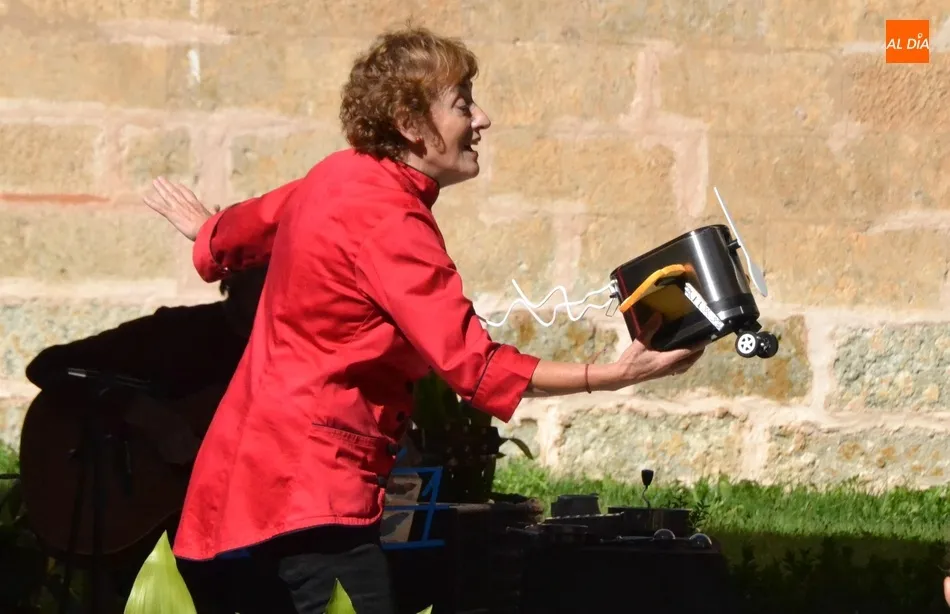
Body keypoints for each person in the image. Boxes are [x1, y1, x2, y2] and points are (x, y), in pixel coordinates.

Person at [142, 26, 707, 614]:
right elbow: (476, 368)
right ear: (411, 124)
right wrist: (614, 375)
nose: (481, 119)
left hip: (255, 476)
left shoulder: (340, 173)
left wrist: (209, 234)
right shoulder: (392, 223)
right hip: (310, 491)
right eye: (463, 104)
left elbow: (254, 222)